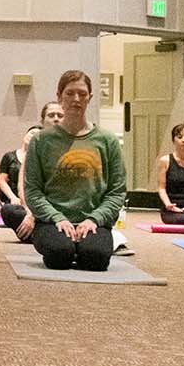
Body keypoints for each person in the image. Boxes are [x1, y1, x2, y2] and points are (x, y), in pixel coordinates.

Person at [23, 71, 125, 271]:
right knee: (59, 255)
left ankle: (83, 245)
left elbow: (117, 191)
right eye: (70, 93)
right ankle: (68, 246)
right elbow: (33, 191)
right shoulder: (41, 141)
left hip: (94, 221)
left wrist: (94, 219)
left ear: (90, 98)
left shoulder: (108, 141)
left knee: (95, 259)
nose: (76, 99)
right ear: (60, 96)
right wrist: (57, 218)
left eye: (82, 94)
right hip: (51, 221)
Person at [0, 126, 42, 242]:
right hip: (15, 200)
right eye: (31, 133)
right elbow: (2, 181)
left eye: (37, 135)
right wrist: (13, 197)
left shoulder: (41, 159)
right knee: (10, 211)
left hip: (35, 203)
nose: (33, 136)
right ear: (25, 135)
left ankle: (36, 235)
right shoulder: (9, 156)